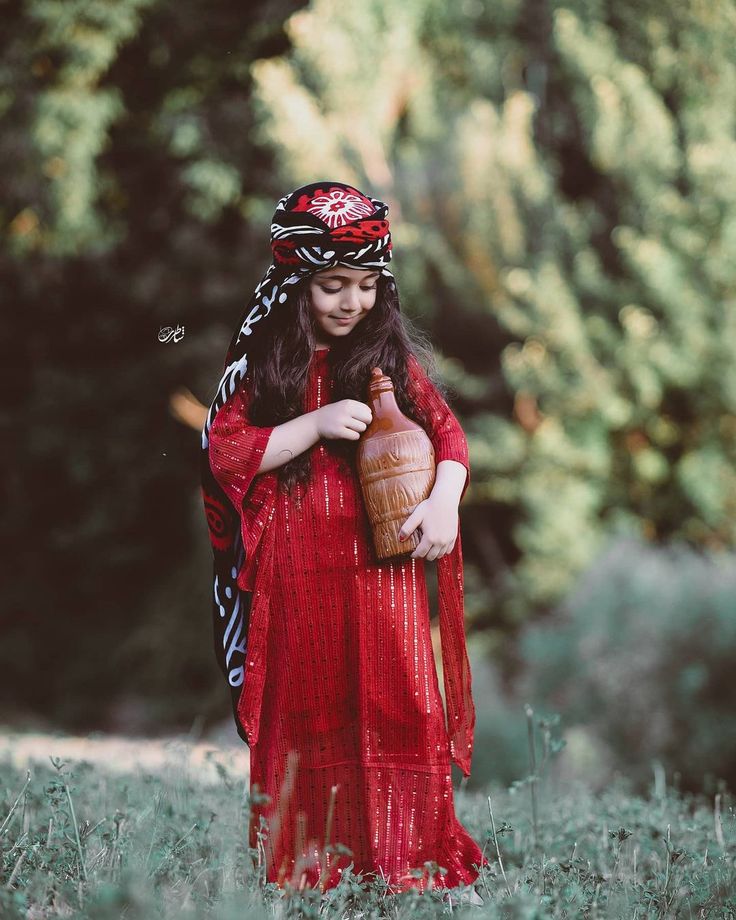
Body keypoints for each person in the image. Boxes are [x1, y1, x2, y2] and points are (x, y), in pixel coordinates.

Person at [200, 181, 488, 898]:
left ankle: (409, 866)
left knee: (401, 701)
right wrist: (312, 426)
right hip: (297, 575)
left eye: (365, 285)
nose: (351, 302)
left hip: (379, 572)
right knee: (309, 709)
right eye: (332, 285)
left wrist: (445, 503)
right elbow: (226, 452)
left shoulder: (389, 362)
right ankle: (309, 872)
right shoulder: (264, 368)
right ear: (296, 283)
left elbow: (450, 438)